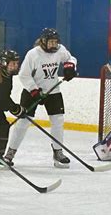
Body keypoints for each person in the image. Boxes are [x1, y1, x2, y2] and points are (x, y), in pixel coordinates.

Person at [4, 28, 77, 168]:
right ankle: (10, 153)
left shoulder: (60, 50)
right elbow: (23, 74)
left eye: (56, 42)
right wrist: (34, 90)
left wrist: (69, 67)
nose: (53, 45)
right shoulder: (33, 54)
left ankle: (58, 151)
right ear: (43, 41)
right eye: (51, 42)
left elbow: (70, 58)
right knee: (23, 123)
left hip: (53, 90)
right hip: (32, 92)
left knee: (58, 120)